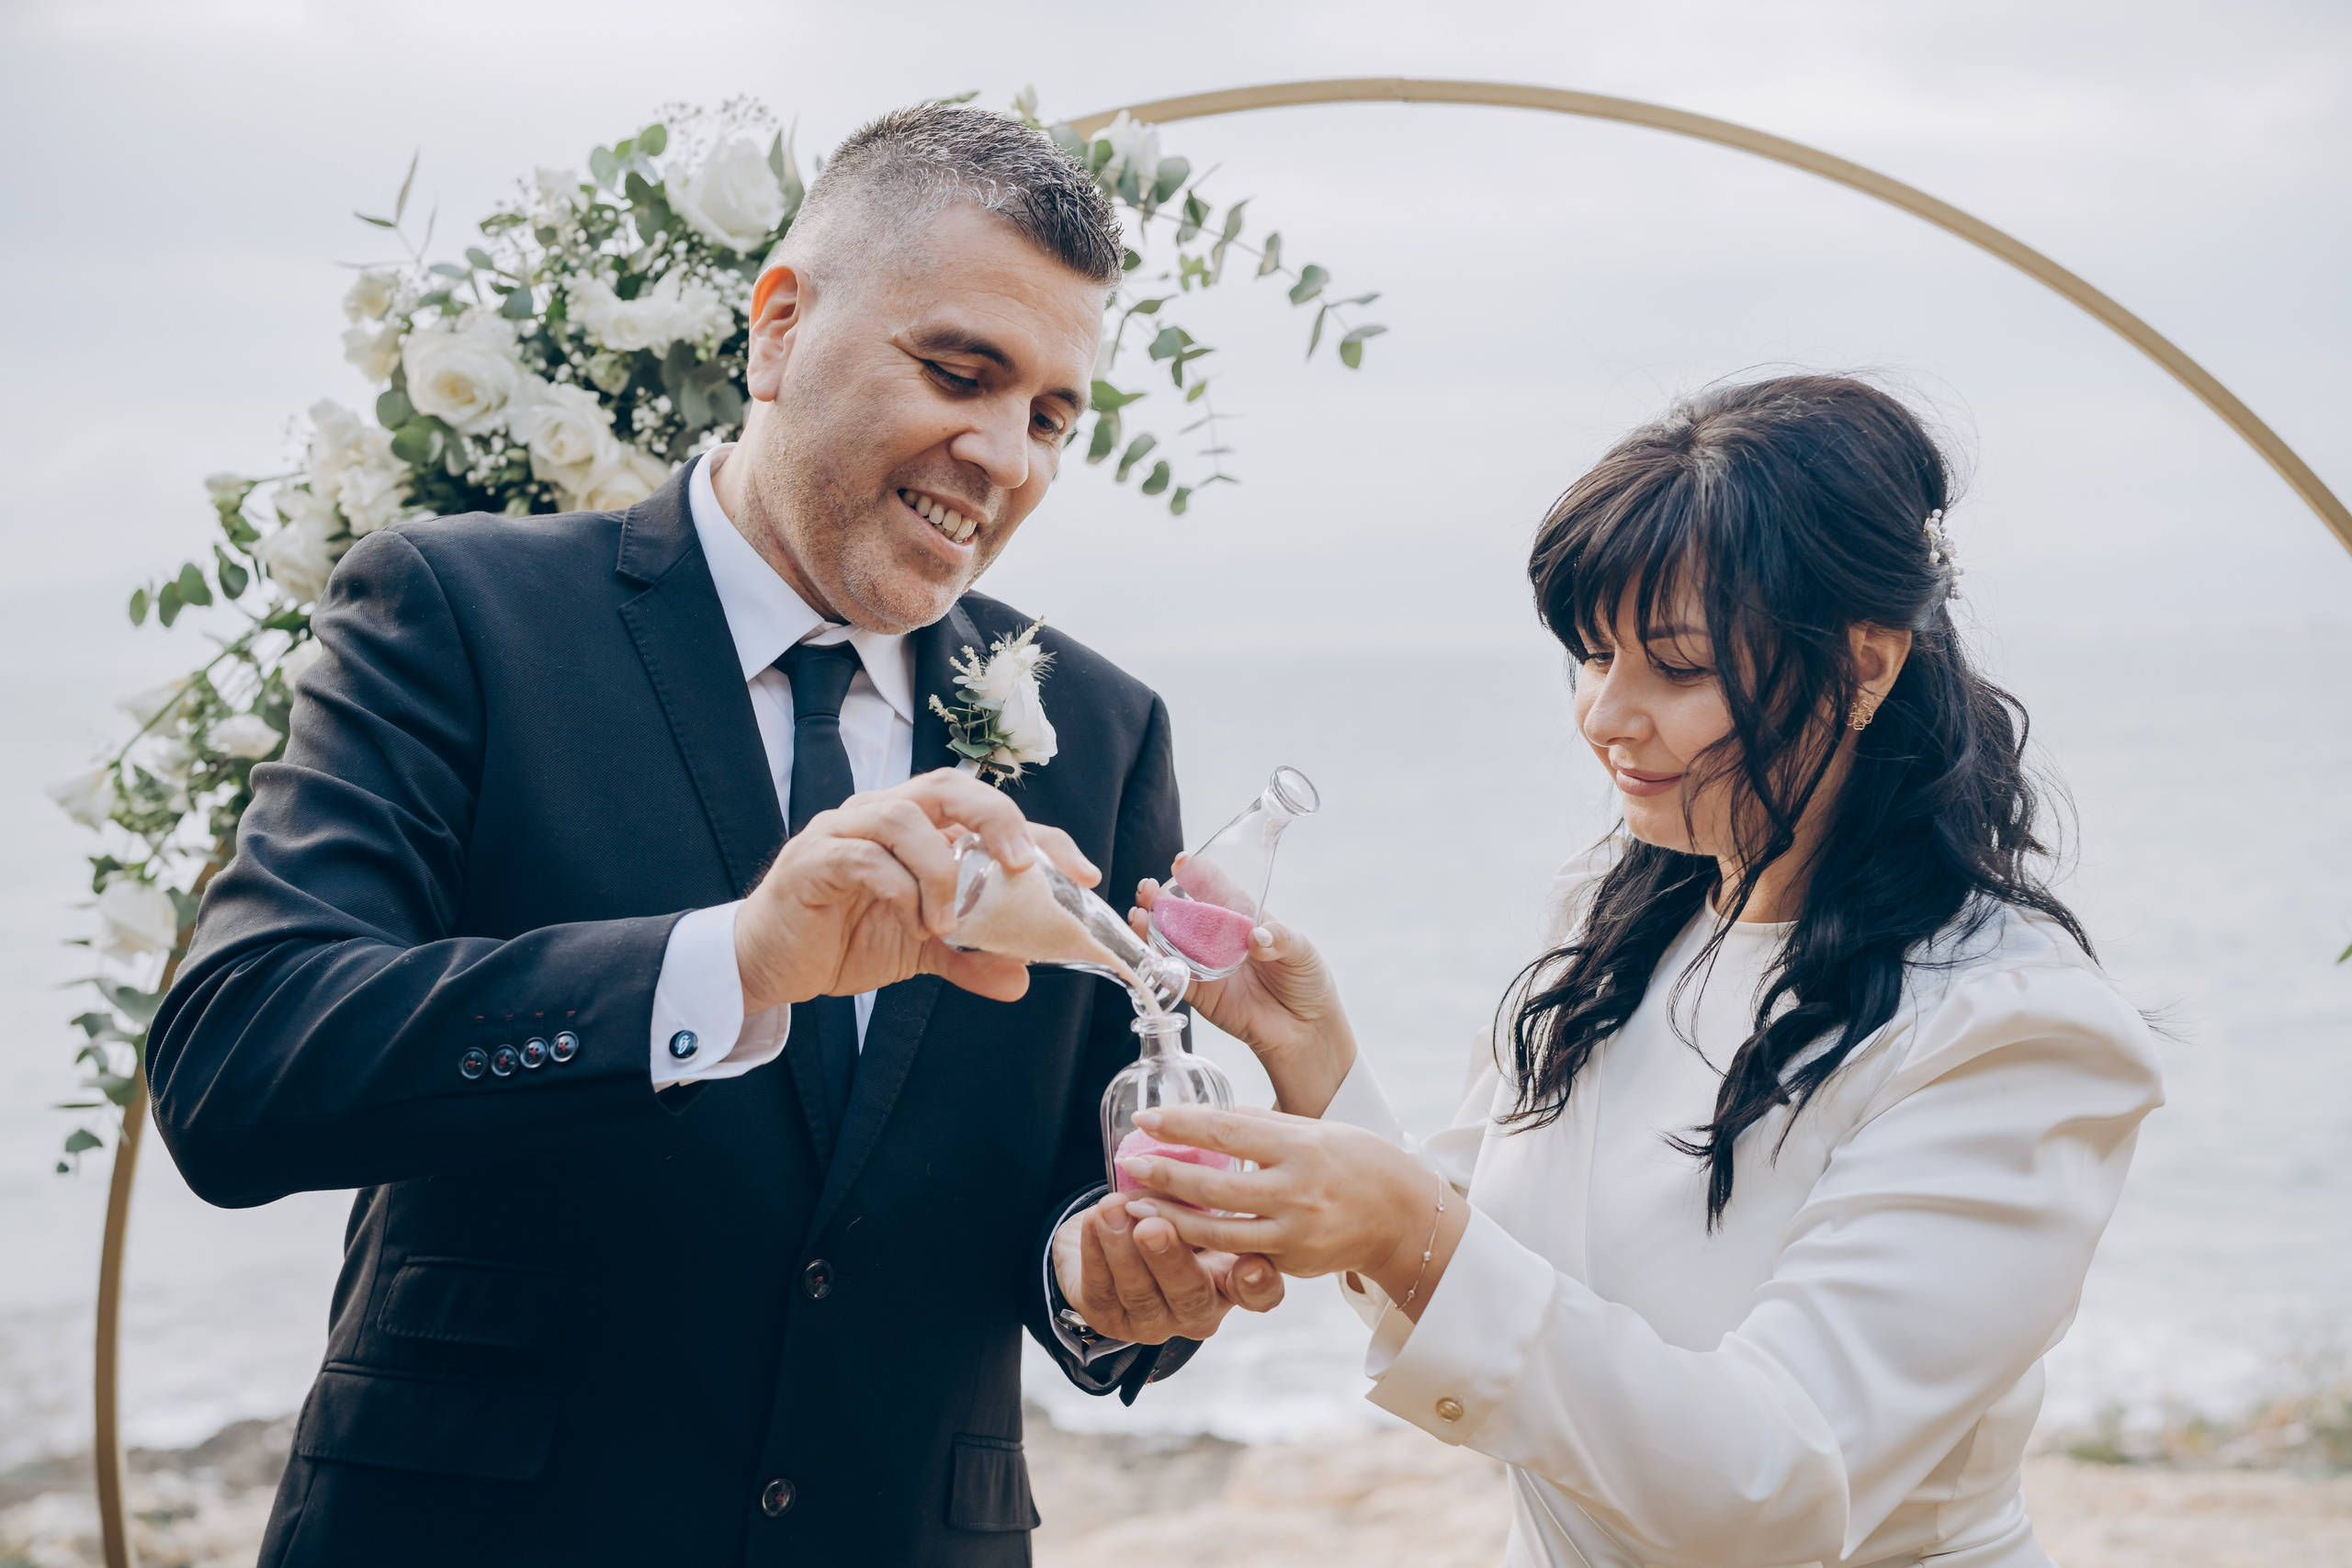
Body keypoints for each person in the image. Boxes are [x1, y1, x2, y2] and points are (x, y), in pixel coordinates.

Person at [148, 105, 1279, 1568]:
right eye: (960, 373)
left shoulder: (1104, 733)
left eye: (1053, 417)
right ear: (780, 327)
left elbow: (1086, 1190)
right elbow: (238, 1067)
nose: (1005, 455)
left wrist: (1107, 1276)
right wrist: (731, 966)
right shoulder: (459, 613)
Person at [1119, 377, 2165, 1567]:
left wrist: (1406, 1229)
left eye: (1676, 668)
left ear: (1864, 666)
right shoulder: (1624, 918)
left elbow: (1775, 1488)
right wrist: (1311, 1056)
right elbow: (1484, 1268)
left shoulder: (2014, 1031)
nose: (1606, 715)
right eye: (1592, 655)